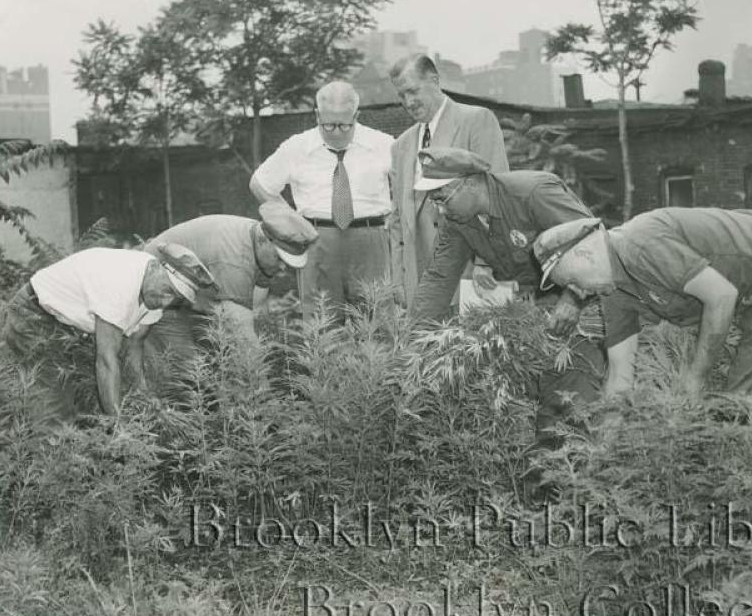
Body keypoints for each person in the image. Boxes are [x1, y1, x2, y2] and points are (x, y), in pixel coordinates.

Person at [533, 208, 752, 447]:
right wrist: (604, 447)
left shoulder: (639, 245)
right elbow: (620, 377)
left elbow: (721, 296)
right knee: (740, 414)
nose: (575, 293)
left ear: (584, 255)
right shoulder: (615, 292)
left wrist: (695, 377)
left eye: (571, 282)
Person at [411, 146, 604, 462]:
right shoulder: (459, 219)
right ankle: (544, 491)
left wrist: (573, 298)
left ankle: (581, 489)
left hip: (582, 302)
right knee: (531, 409)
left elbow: (591, 241)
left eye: (442, 198)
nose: (440, 210)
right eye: (434, 202)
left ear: (471, 182)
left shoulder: (534, 192)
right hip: (531, 310)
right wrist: (413, 345)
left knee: (571, 407)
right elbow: (437, 279)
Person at [1, 243, 216, 422]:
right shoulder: (120, 282)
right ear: (156, 268)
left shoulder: (155, 293)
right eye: (168, 291)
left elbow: (134, 345)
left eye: (176, 300)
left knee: (87, 401)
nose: (166, 302)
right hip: (32, 315)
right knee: (55, 407)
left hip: (67, 325)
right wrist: (118, 426)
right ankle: (45, 461)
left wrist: (144, 394)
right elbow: (106, 360)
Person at [249, 81, 394, 321]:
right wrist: (291, 221)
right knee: (321, 323)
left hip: (371, 241)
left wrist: (396, 214)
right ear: (316, 115)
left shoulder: (384, 144)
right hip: (317, 241)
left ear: (357, 115)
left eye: (345, 125)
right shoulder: (296, 147)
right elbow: (260, 184)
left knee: (377, 321)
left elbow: (413, 181)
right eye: (329, 124)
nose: (337, 132)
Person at [388, 54, 510, 308]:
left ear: (434, 79)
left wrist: (487, 262)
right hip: (418, 282)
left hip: (469, 272)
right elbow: (398, 217)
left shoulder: (476, 120)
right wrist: (398, 279)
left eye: (412, 91)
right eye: (401, 96)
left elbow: (498, 194)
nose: (408, 102)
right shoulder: (400, 145)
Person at [141, 201, 318, 363]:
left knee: (216, 362)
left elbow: (257, 308)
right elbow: (241, 331)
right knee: (190, 372)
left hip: (195, 298)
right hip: (158, 295)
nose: (282, 268)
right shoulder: (234, 258)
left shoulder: (263, 244)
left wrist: (272, 352)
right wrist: (263, 386)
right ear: (264, 240)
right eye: (279, 259)